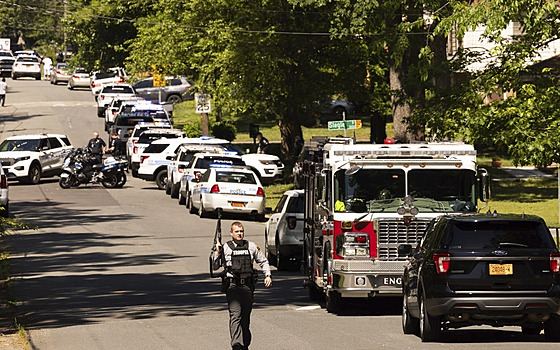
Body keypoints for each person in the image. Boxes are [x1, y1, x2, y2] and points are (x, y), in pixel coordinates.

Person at [213, 222, 272, 350]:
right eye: (237, 231)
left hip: (247, 287)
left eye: (241, 231)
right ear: (231, 233)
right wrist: (217, 252)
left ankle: (244, 343)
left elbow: (263, 261)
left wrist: (267, 275)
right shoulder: (226, 248)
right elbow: (215, 266)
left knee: (245, 318)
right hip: (232, 286)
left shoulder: (251, 246)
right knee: (235, 314)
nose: (240, 234)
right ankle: (236, 345)